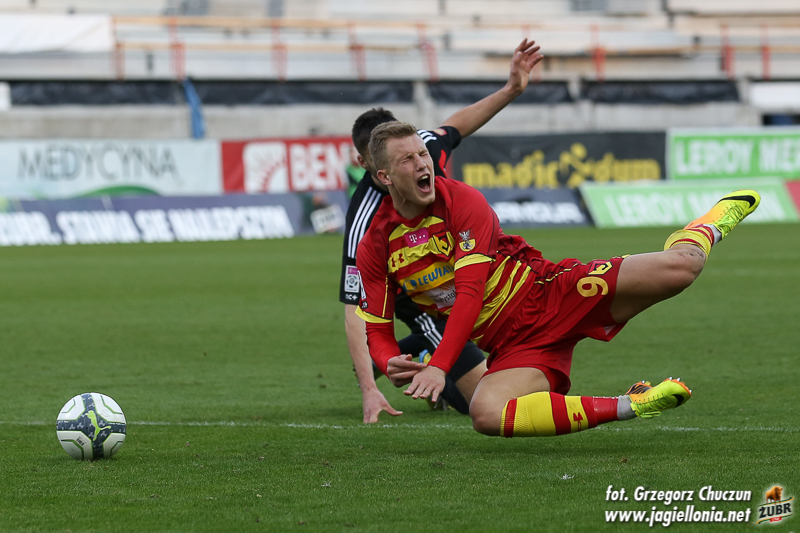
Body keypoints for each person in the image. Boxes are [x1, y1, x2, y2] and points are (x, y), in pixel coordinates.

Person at [356, 121, 760, 437]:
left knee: (683, 268)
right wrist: (388, 361)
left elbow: (471, 293)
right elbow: (376, 327)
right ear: (385, 177)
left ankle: (708, 226)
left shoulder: (462, 200)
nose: (422, 164)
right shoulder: (376, 244)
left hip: (550, 293)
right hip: (511, 344)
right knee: (485, 414)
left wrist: (439, 365)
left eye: (423, 153)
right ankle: (632, 404)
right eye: (407, 160)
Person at [339, 39, 544, 423]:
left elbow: (458, 125)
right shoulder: (365, 220)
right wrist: (369, 390)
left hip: (454, 273)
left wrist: (511, 89)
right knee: (482, 404)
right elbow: (356, 308)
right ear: (368, 164)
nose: (418, 164)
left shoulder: (423, 151)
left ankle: (422, 351)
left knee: (492, 383)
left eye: (414, 154)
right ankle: (423, 350)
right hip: (420, 301)